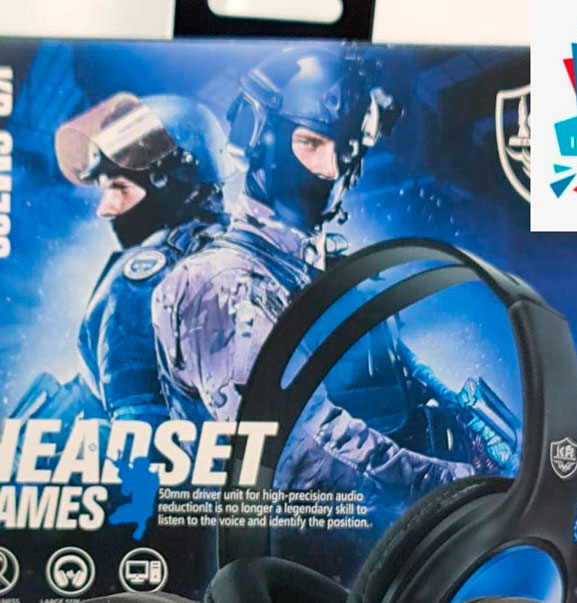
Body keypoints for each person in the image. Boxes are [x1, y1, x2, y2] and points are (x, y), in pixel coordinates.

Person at [152, 49, 487, 503]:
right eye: (311, 143)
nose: (330, 171)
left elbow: (402, 378)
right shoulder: (217, 283)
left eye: (346, 151)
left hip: (365, 535)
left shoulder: (328, 275)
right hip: (266, 540)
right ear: (257, 138)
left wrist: (465, 427)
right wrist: (462, 487)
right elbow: (298, 455)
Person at [53, 92, 235, 428]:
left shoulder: (145, 280)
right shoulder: (250, 255)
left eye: (120, 189)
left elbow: (138, 436)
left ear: (171, 185)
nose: (105, 209)